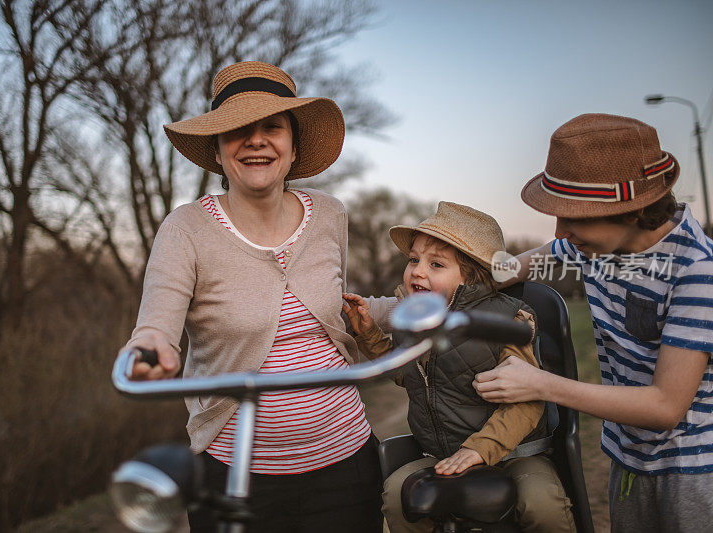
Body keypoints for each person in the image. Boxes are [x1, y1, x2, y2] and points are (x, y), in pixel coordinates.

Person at [122, 61, 384, 532]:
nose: (257, 140)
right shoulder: (186, 228)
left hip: (347, 463)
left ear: (292, 146)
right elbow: (156, 322)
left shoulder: (329, 214)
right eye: (238, 130)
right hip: (236, 477)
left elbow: (337, 313)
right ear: (218, 151)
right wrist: (149, 348)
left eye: (273, 127)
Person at [473, 113, 713, 532]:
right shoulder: (590, 247)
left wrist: (541, 383)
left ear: (634, 211)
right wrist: (450, 269)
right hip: (629, 455)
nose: (561, 230)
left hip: (693, 471)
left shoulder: (696, 271)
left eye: (577, 217)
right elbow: (505, 270)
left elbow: (665, 406)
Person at [342, 202, 576, 532]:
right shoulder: (415, 320)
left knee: (543, 503)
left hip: (516, 453)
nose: (417, 271)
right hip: (442, 455)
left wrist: (479, 449)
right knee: (396, 494)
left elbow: (527, 403)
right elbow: (402, 371)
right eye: (413, 260)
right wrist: (368, 333)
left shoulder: (507, 320)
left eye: (435, 264)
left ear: (473, 278)